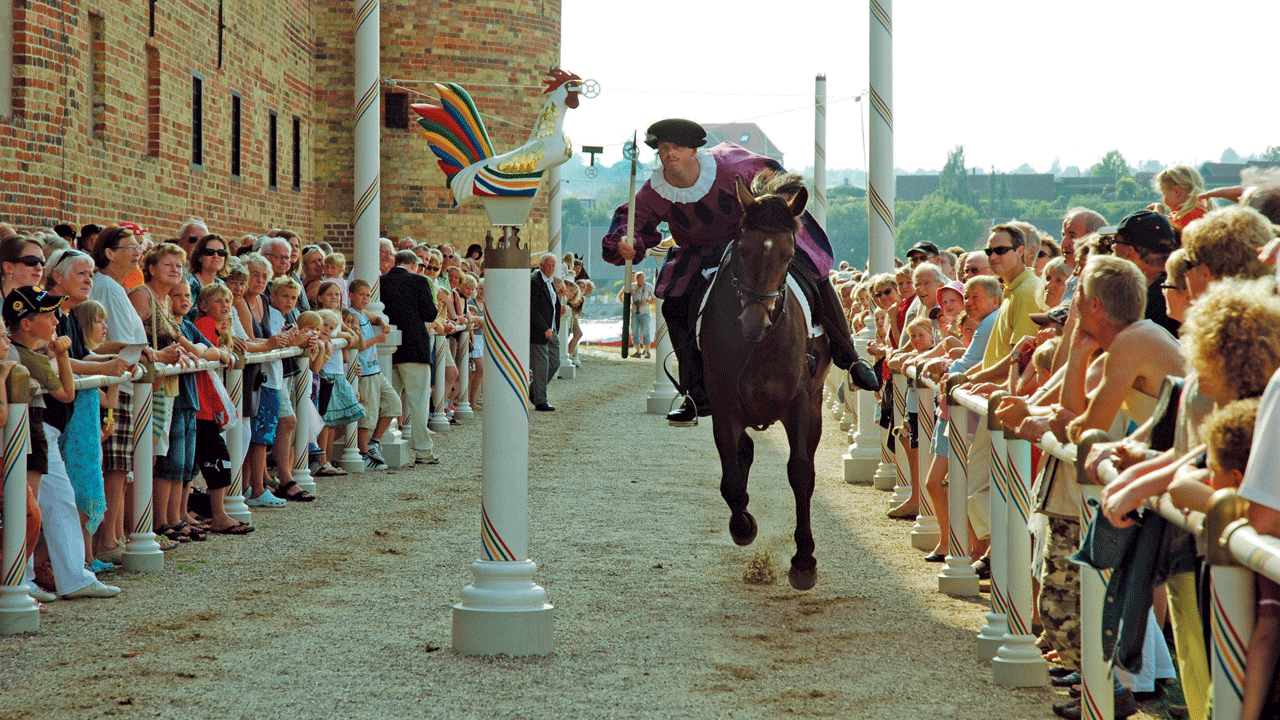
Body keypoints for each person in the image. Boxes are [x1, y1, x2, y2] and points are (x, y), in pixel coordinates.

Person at [601, 118, 871, 427]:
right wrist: (628, 244)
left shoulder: (731, 164)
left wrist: (772, 209)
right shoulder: (656, 190)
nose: (668, 154)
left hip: (750, 240)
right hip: (698, 251)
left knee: (813, 272)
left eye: (675, 147)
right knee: (674, 302)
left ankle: (849, 359)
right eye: (663, 148)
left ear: (692, 150)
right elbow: (630, 219)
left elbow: (778, 181)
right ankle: (694, 392)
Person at [7, 285, 121, 599]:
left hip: (44, 432)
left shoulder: (34, 354)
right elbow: (67, 392)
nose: (56, 320)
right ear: (27, 324)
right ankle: (21, 579)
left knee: (59, 500)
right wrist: (62, 355)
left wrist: (58, 357)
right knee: (27, 505)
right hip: (29, 432)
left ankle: (71, 577)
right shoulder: (24, 355)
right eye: (48, 314)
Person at [380, 249, 439, 464]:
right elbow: (430, 314)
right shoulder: (420, 281)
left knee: (388, 400)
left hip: (387, 347)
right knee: (418, 400)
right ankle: (423, 451)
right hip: (415, 347)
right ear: (414, 265)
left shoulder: (381, 281)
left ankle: (378, 445)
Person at [1099, 210, 1181, 335]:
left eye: (1115, 241)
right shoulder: (1178, 290)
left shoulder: (1144, 305)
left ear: (1129, 252)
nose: (1112, 247)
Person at [349, 279, 399, 469]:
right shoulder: (351, 315)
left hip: (375, 368)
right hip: (365, 370)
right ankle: (363, 454)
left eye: (368, 295)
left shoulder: (362, 313)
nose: (365, 298)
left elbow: (375, 318)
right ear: (351, 295)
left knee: (394, 403)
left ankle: (374, 443)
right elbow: (359, 345)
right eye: (361, 295)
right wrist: (378, 338)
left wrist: (382, 322)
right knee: (367, 413)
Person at [529, 253, 561, 412]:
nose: (551, 268)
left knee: (555, 362)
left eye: (553, 266)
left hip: (552, 329)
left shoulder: (550, 282)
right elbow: (532, 309)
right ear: (541, 265)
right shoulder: (535, 281)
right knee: (541, 367)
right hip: (540, 331)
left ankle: (533, 391)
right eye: (548, 265)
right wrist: (544, 328)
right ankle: (540, 400)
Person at [618, 270, 653, 359]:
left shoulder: (649, 286)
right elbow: (621, 295)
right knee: (635, 331)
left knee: (646, 331)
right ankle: (638, 351)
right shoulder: (631, 286)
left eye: (642, 279)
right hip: (634, 311)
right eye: (639, 279)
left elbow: (655, 299)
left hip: (645, 312)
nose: (640, 281)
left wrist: (647, 302)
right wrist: (629, 303)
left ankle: (647, 351)